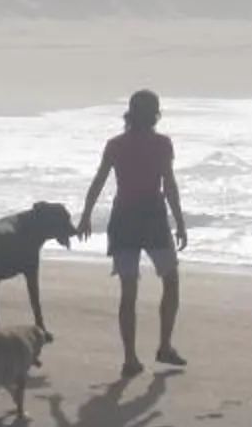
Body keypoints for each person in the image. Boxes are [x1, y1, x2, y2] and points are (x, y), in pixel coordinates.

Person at [79, 88, 188, 379]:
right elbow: (169, 186)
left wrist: (86, 216)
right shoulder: (162, 144)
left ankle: (130, 359)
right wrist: (179, 221)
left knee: (129, 292)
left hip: (124, 219)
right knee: (171, 280)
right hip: (152, 218)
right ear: (155, 114)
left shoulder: (116, 145)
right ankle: (164, 345)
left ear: (130, 113)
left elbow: (98, 182)